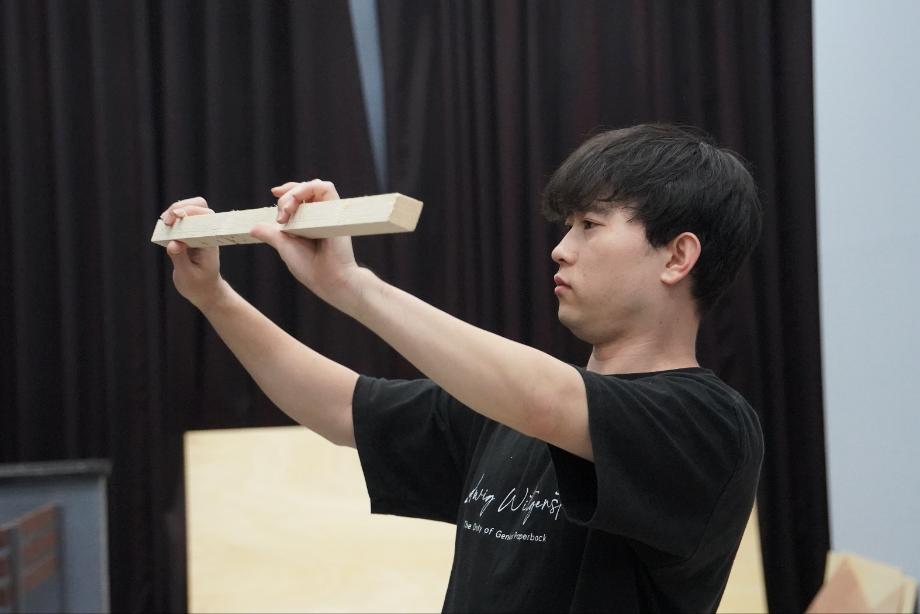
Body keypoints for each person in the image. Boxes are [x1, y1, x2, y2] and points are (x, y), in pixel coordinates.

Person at [160, 123, 763, 613]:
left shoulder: (707, 424)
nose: (560, 249)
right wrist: (214, 298)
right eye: (565, 227)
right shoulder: (504, 412)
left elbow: (550, 402)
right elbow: (341, 408)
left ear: (677, 256)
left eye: (590, 225)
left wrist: (350, 284)